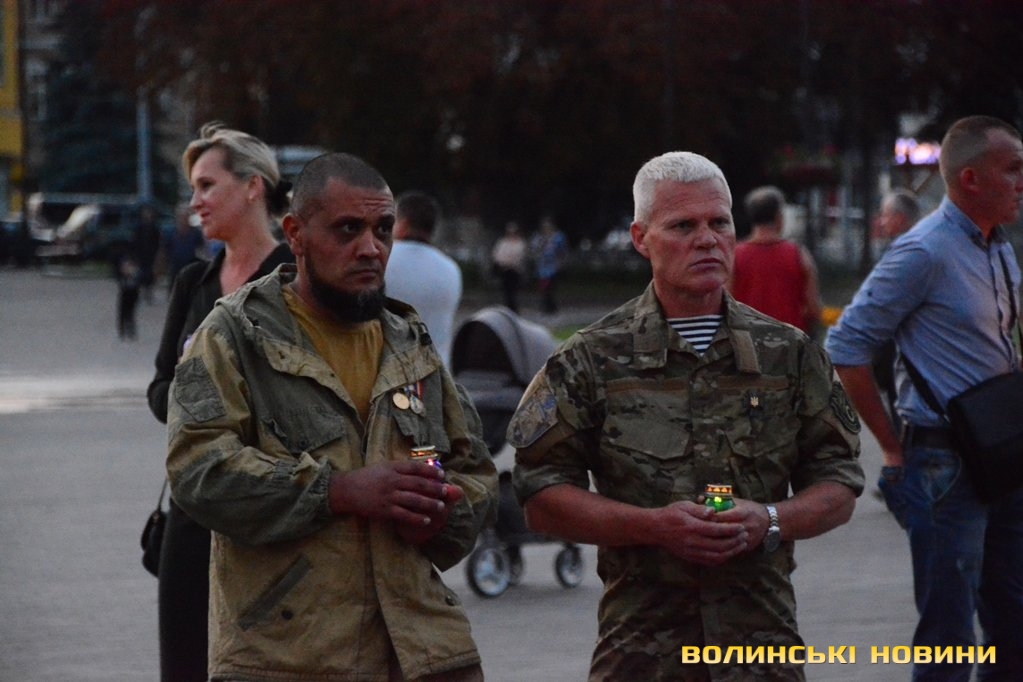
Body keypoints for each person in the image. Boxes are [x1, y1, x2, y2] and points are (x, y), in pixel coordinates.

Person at [508, 151, 864, 681]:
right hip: (642, 655)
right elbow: (540, 497)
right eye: (683, 226)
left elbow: (839, 481)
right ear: (640, 238)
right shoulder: (590, 359)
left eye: (719, 223)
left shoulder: (789, 355)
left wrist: (769, 520)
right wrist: (652, 527)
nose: (707, 240)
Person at [166, 152, 497, 682]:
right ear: (295, 234)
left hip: (426, 652)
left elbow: (473, 471)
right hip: (291, 657)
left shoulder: (409, 343)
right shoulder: (234, 336)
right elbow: (198, 470)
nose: (370, 248)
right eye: (348, 229)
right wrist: (336, 491)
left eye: (382, 229)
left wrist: (442, 512)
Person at [826, 115, 1023, 681]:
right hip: (943, 463)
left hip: (1004, 455)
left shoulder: (997, 246)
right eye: (1012, 169)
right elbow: (845, 346)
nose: (1021, 182)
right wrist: (892, 446)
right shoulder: (922, 252)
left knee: (1013, 622)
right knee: (949, 637)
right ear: (970, 179)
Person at [146, 121, 294, 682]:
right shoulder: (194, 281)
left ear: (253, 186)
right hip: (193, 511)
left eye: (207, 185)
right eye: (193, 189)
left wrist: (207, 386)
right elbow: (159, 392)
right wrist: (205, 387)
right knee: (185, 666)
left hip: (274, 509)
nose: (195, 203)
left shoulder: (296, 279)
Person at [728, 186, 821, 335]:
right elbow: (813, 309)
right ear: (778, 216)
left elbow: (725, 307)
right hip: (789, 342)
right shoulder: (798, 254)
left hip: (747, 342)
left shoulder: (734, 256)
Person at [384, 190, 462, 366]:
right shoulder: (451, 269)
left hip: (389, 371)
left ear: (403, 223)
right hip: (435, 372)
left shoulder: (381, 260)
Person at [869, 188, 922, 423]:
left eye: (884, 215)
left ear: (899, 219)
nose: (881, 222)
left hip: (902, 356)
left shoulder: (901, 257)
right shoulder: (924, 249)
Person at [530, 216, 568, 313]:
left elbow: (562, 251)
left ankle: (550, 306)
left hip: (553, 266)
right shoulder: (539, 237)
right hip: (542, 267)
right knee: (543, 287)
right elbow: (534, 249)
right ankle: (546, 305)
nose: (546, 228)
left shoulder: (558, 237)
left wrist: (560, 263)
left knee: (550, 287)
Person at [165, 205, 206, 292]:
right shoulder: (170, 233)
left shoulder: (195, 233)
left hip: (190, 267)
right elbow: (165, 251)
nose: (183, 219)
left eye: (185, 217)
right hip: (175, 267)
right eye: (181, 217)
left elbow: (201, 250)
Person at [490, 221, 527, 312]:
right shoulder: (503, 242)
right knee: (506, 290)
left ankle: (514, 308)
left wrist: (510, 261)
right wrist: (504, 262)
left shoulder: (520, 243)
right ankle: (508, 307)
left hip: (515, 270)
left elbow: (519, 256)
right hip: (504, 270)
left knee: (513, 290)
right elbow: (497, 255)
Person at [134, 204, 163, 303]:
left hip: (151, 254)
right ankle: (139, 293)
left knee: (150, 274)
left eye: (149, 213)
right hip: (141, 254)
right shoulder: (139, 227)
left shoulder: (155, 228)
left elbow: (158, 242)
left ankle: (149, 293)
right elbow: (135, 241)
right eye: (145, 213)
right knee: (140, 274)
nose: (147, 215)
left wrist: (158, 255)